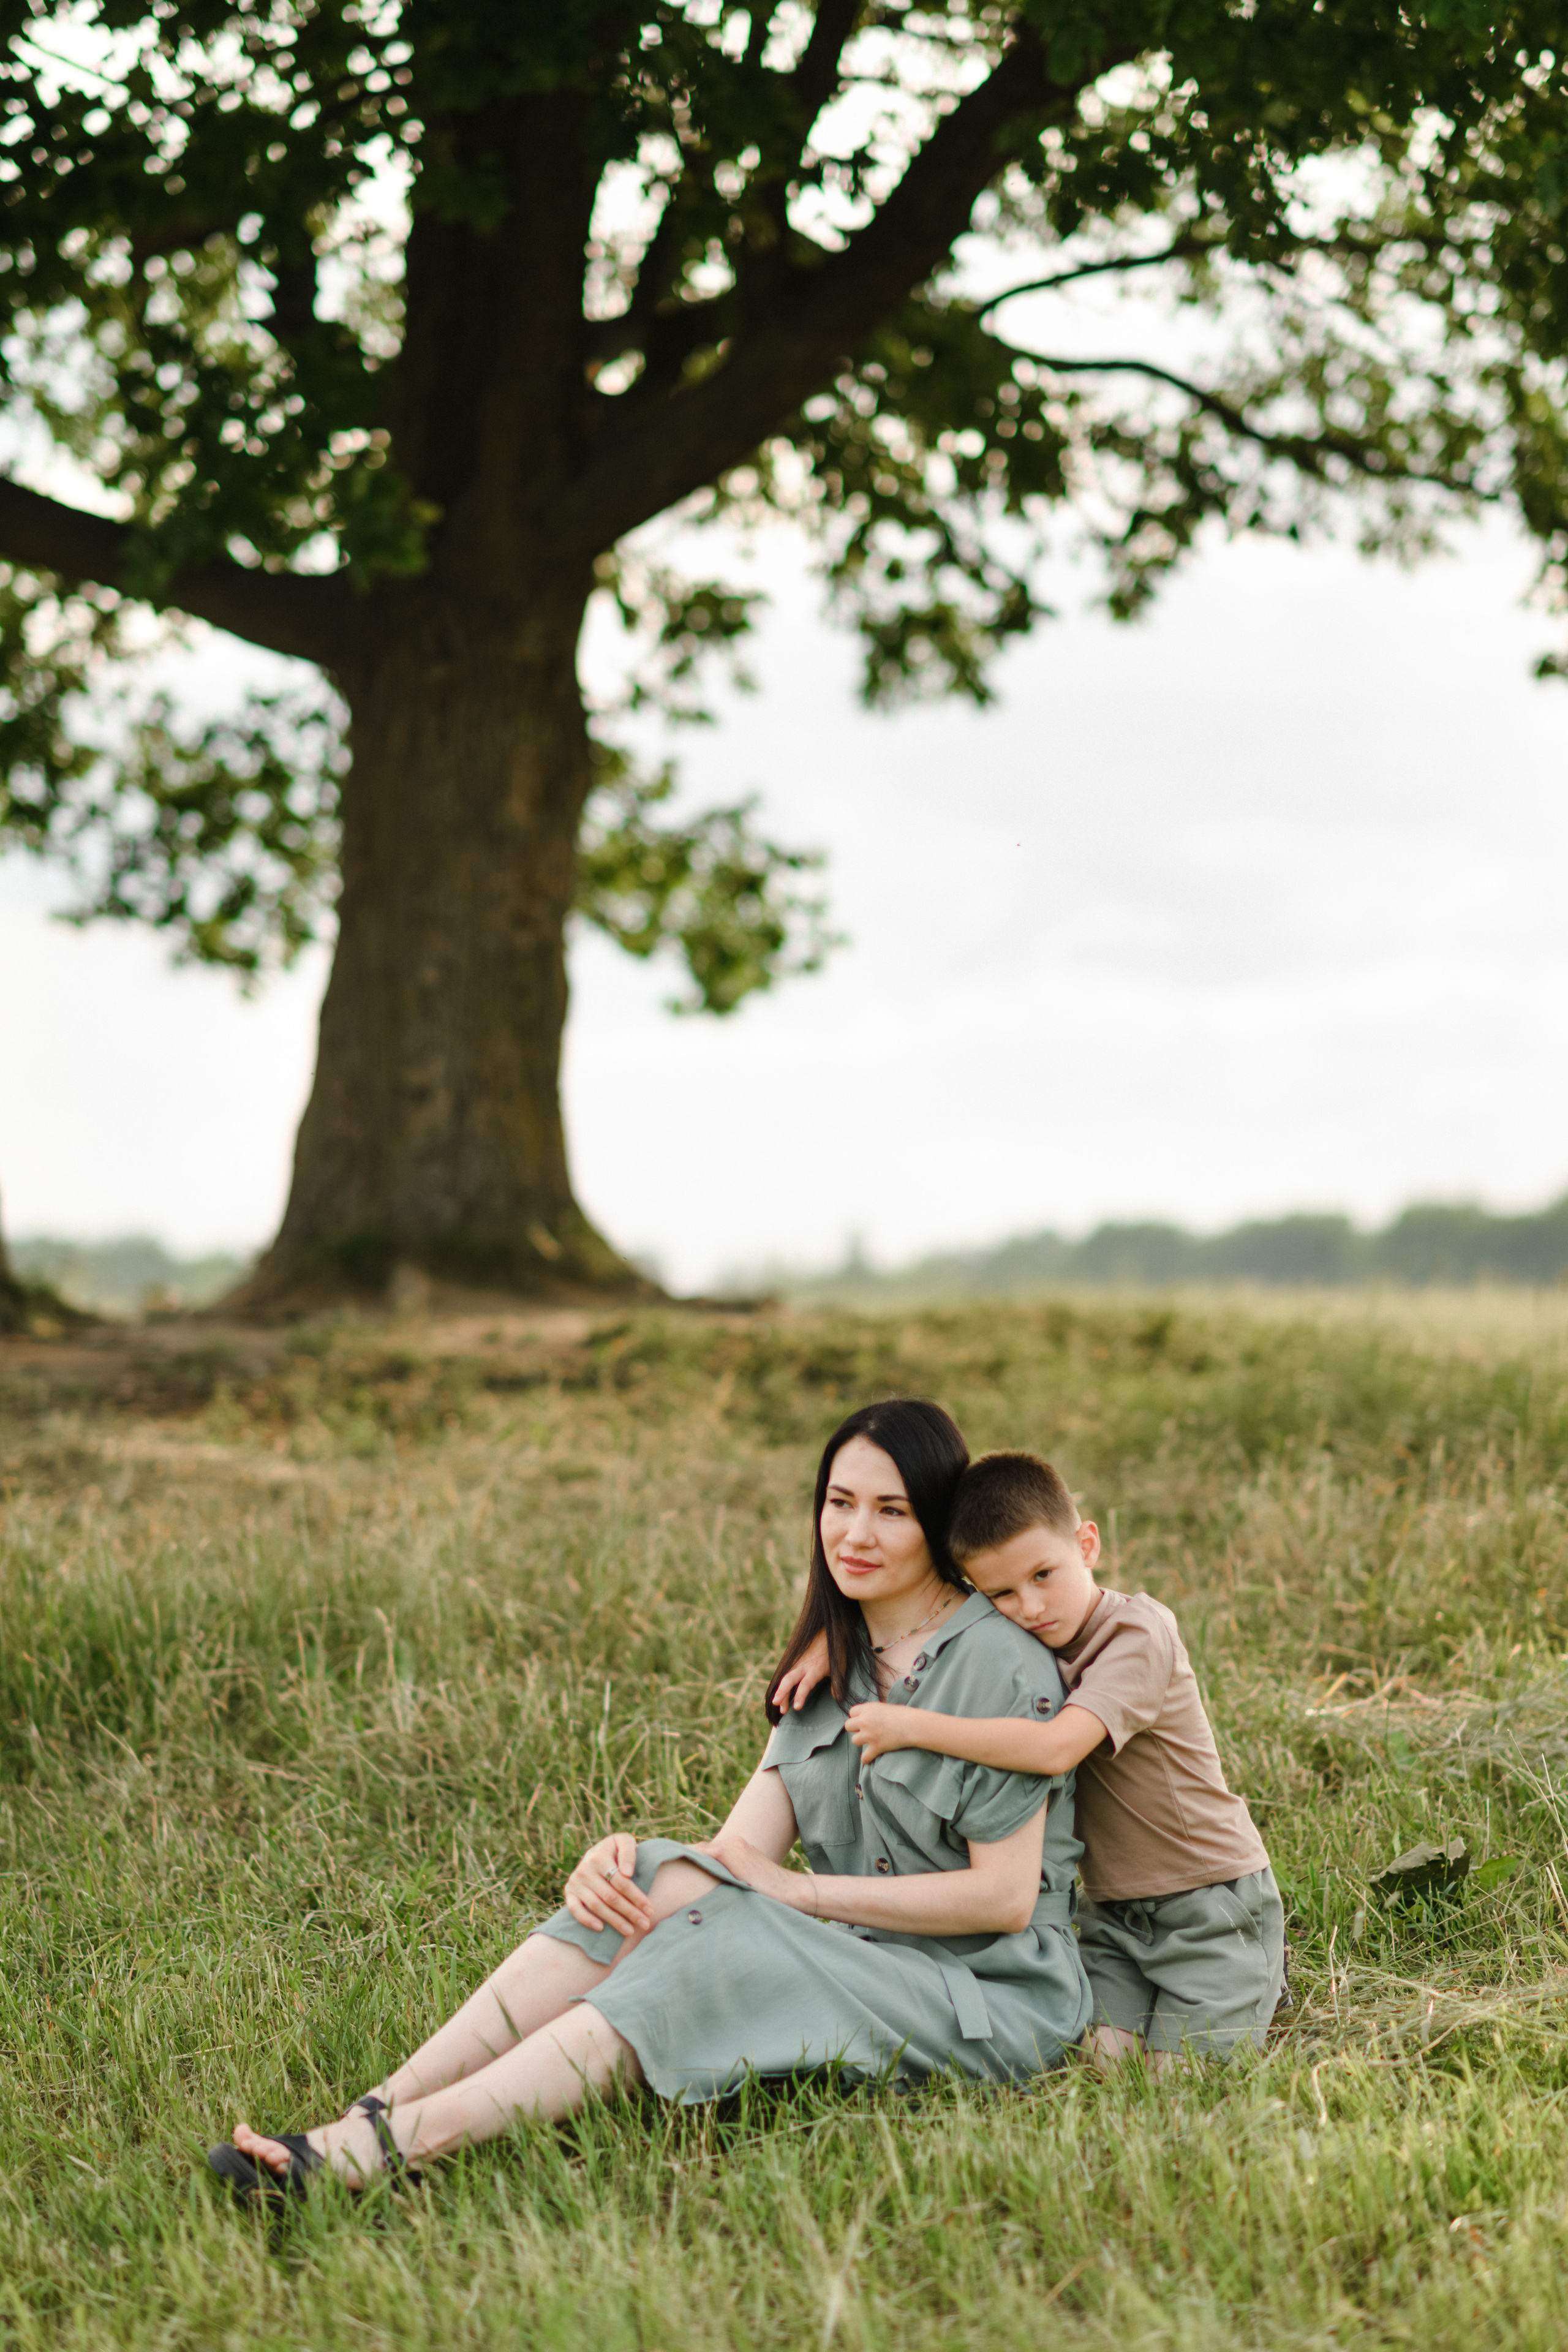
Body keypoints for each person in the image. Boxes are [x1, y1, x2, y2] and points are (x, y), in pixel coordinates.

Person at [208, 1402, 1091, 2203]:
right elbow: (730, 1858)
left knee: (732, 1934)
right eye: (839, 1501)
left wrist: (801, 1897)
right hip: (862, 1958)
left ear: (937, 1521)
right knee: (654, 1880)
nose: (854, 1533)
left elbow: (1002, 1901)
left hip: (985, 1997)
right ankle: (372, 2111)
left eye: (891, 1510)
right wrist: (620, 1856)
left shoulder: (1000, 1664)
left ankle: (395, 2147)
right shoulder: (833, 1662)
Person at [776, 1449, 1283, 2067]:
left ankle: (1256, 1975)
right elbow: (937, 1614)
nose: (1031, 1607)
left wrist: (913, 1727)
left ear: (1087, 1543)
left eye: (1044, 1575)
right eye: (1003, 1593)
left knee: (1181, 2076)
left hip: (1207, 1899)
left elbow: (1054, 1748)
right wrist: (839, 1640)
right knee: (1101, 2062)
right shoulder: (1026, 1640)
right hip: (1112, 1913)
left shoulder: (1137, 1636)